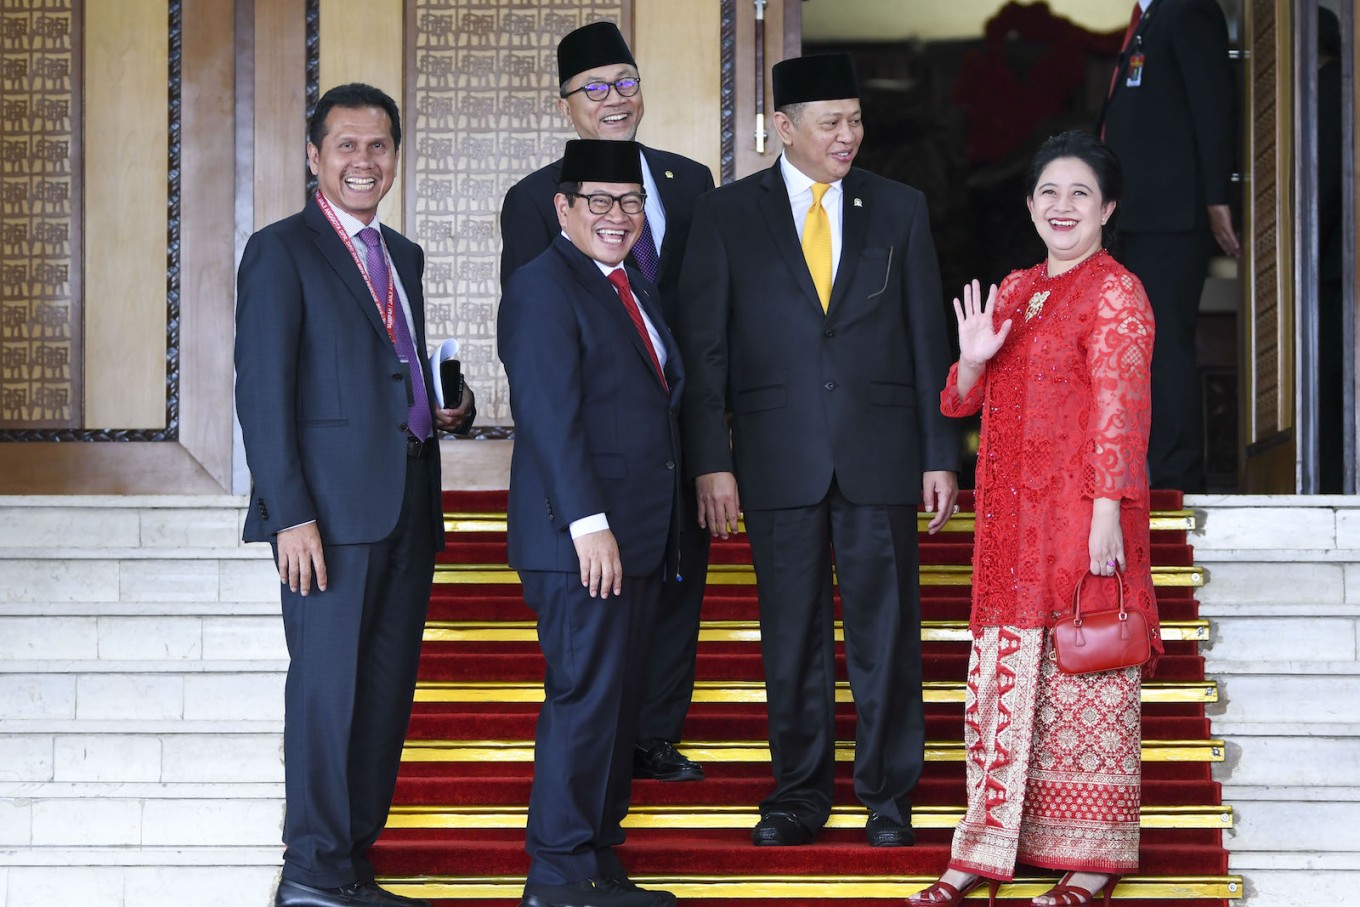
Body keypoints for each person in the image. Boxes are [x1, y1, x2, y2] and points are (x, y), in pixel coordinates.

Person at [676, 53, 960, 849]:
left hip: (881, 451)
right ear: (784, 128)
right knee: (790, 634)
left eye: (857, 119)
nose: (849, 135)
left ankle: (888, 793)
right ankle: (799, 792)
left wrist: (940, 452)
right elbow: (705, 353)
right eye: (831, 122)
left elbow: (924, 338)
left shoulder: (898, 207)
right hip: (774, 456)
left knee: (887, 631)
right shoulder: (728, 214)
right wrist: (711, 459)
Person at [235, 82, 474, 907]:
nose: (363, 161)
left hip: (408, 497)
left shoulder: (400, 254)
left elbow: (390, 364)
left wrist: (448, 407)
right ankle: (309, 870)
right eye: (346, 145)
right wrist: (290, 511)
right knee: (327, 690)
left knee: (383, 692)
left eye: (378, 147)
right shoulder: (281, 251)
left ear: (396, 157)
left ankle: (349, 861)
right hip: (328, 515)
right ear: (314, 156)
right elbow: (262, 395)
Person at [910, 131, 1160, 907]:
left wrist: (1107, 514)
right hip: (1008, 529)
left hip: (1082, 517)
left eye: (1080, 193)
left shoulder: (1116, 291)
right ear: (1028, 205)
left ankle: (1091, 859)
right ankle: (981, 850)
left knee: (1087, 685)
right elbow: (959, 400)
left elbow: (1123, 412)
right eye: (1049, 192)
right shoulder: (1014, 290)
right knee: (1002, 687)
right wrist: (977, 355)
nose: (1062, 207)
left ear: (1108, 209)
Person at [500, 20, 715, 783]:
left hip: (676, 433)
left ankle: (653, 731)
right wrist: (583, 508)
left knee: (675, 584)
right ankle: (581, 828)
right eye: (594, 88)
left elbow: (706, 324)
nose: (614, 99)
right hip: (598, 451)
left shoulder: (691, 182)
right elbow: (544, 349)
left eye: (626, 82)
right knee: (596, 653)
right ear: (566, 106)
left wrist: (710, 455)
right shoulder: (538, 201)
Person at [498, 139, 682, 907]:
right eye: (599, 202)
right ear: (563, 209)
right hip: (583, 541)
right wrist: (588, 522)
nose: (617, 216)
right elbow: (549, 417)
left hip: (633, 537)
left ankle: (600, 859)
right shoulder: (545, 286)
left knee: (617, 703)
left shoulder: (628, 285)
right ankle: (560, 873)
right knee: (584, 700)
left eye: (630, 202)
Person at [1098, 0, 1238, 493]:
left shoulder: (1189, 9)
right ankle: (1144, 472)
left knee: (1165, 346)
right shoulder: (1151, 19)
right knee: (1133, 346)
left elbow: (1213, 103)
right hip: (1135, 218)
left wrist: (1217, 196)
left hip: (1172, 217)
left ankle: (1176, 478)